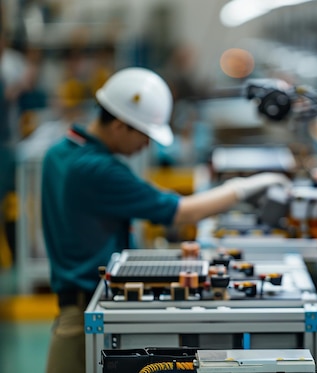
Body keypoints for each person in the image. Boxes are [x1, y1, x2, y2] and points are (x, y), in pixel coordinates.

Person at [42, 67, 290, 373]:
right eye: (145, 136)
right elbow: (182, 212)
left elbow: (142, 196)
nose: (146, 146)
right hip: (85, 313)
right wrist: (242, 188)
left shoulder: (61, 153)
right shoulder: (97, 170)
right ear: (121, 126)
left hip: (77, 302)